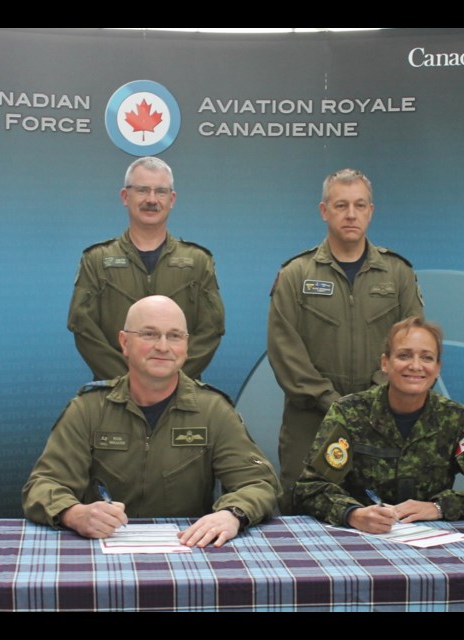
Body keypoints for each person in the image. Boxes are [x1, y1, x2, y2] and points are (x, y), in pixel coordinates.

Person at [24, 295, 279, 547]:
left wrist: (232, 514)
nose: (163, 346)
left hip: (188, 549)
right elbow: (43, 485)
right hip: (102, 552)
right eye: (149, 334)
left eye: (175, 336)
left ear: (186, 345)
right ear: (124, 342)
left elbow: (259, 483)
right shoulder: (89, 409)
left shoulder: (212, 410)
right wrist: (74, 514)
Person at [267, 168, 424, 513]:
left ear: (371, 210)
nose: (351, 214)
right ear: (324, 211)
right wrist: (331, 402)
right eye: (341, 205)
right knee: (304, 514)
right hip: (312, 421)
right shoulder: (296, 274)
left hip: (383, 420)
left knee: (387, 519)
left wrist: (373, 400)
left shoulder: (398, 274)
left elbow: (412, 344)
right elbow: (284, 349)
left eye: (359, 205)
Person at [294, 317, 464, 533]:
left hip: (433, 539)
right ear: (385, 363)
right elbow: (310, 488)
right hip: (360, 537)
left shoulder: (457, 420)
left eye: (426, 358)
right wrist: (352, 514)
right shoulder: (349, 413)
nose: (416, 366)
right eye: (404, 355)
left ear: (437, 368)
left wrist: (439, 507)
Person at [68, 156, 224, 381]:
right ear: (125, 196)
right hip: (114, 395)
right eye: (142, 190)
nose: (152, 199)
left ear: (172, 199)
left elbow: (211, 330)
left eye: (160, 191)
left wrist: (169, 380)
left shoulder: (198, 261)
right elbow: (84, 328)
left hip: (180, 397)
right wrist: (131, 382)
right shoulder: (96, 260)